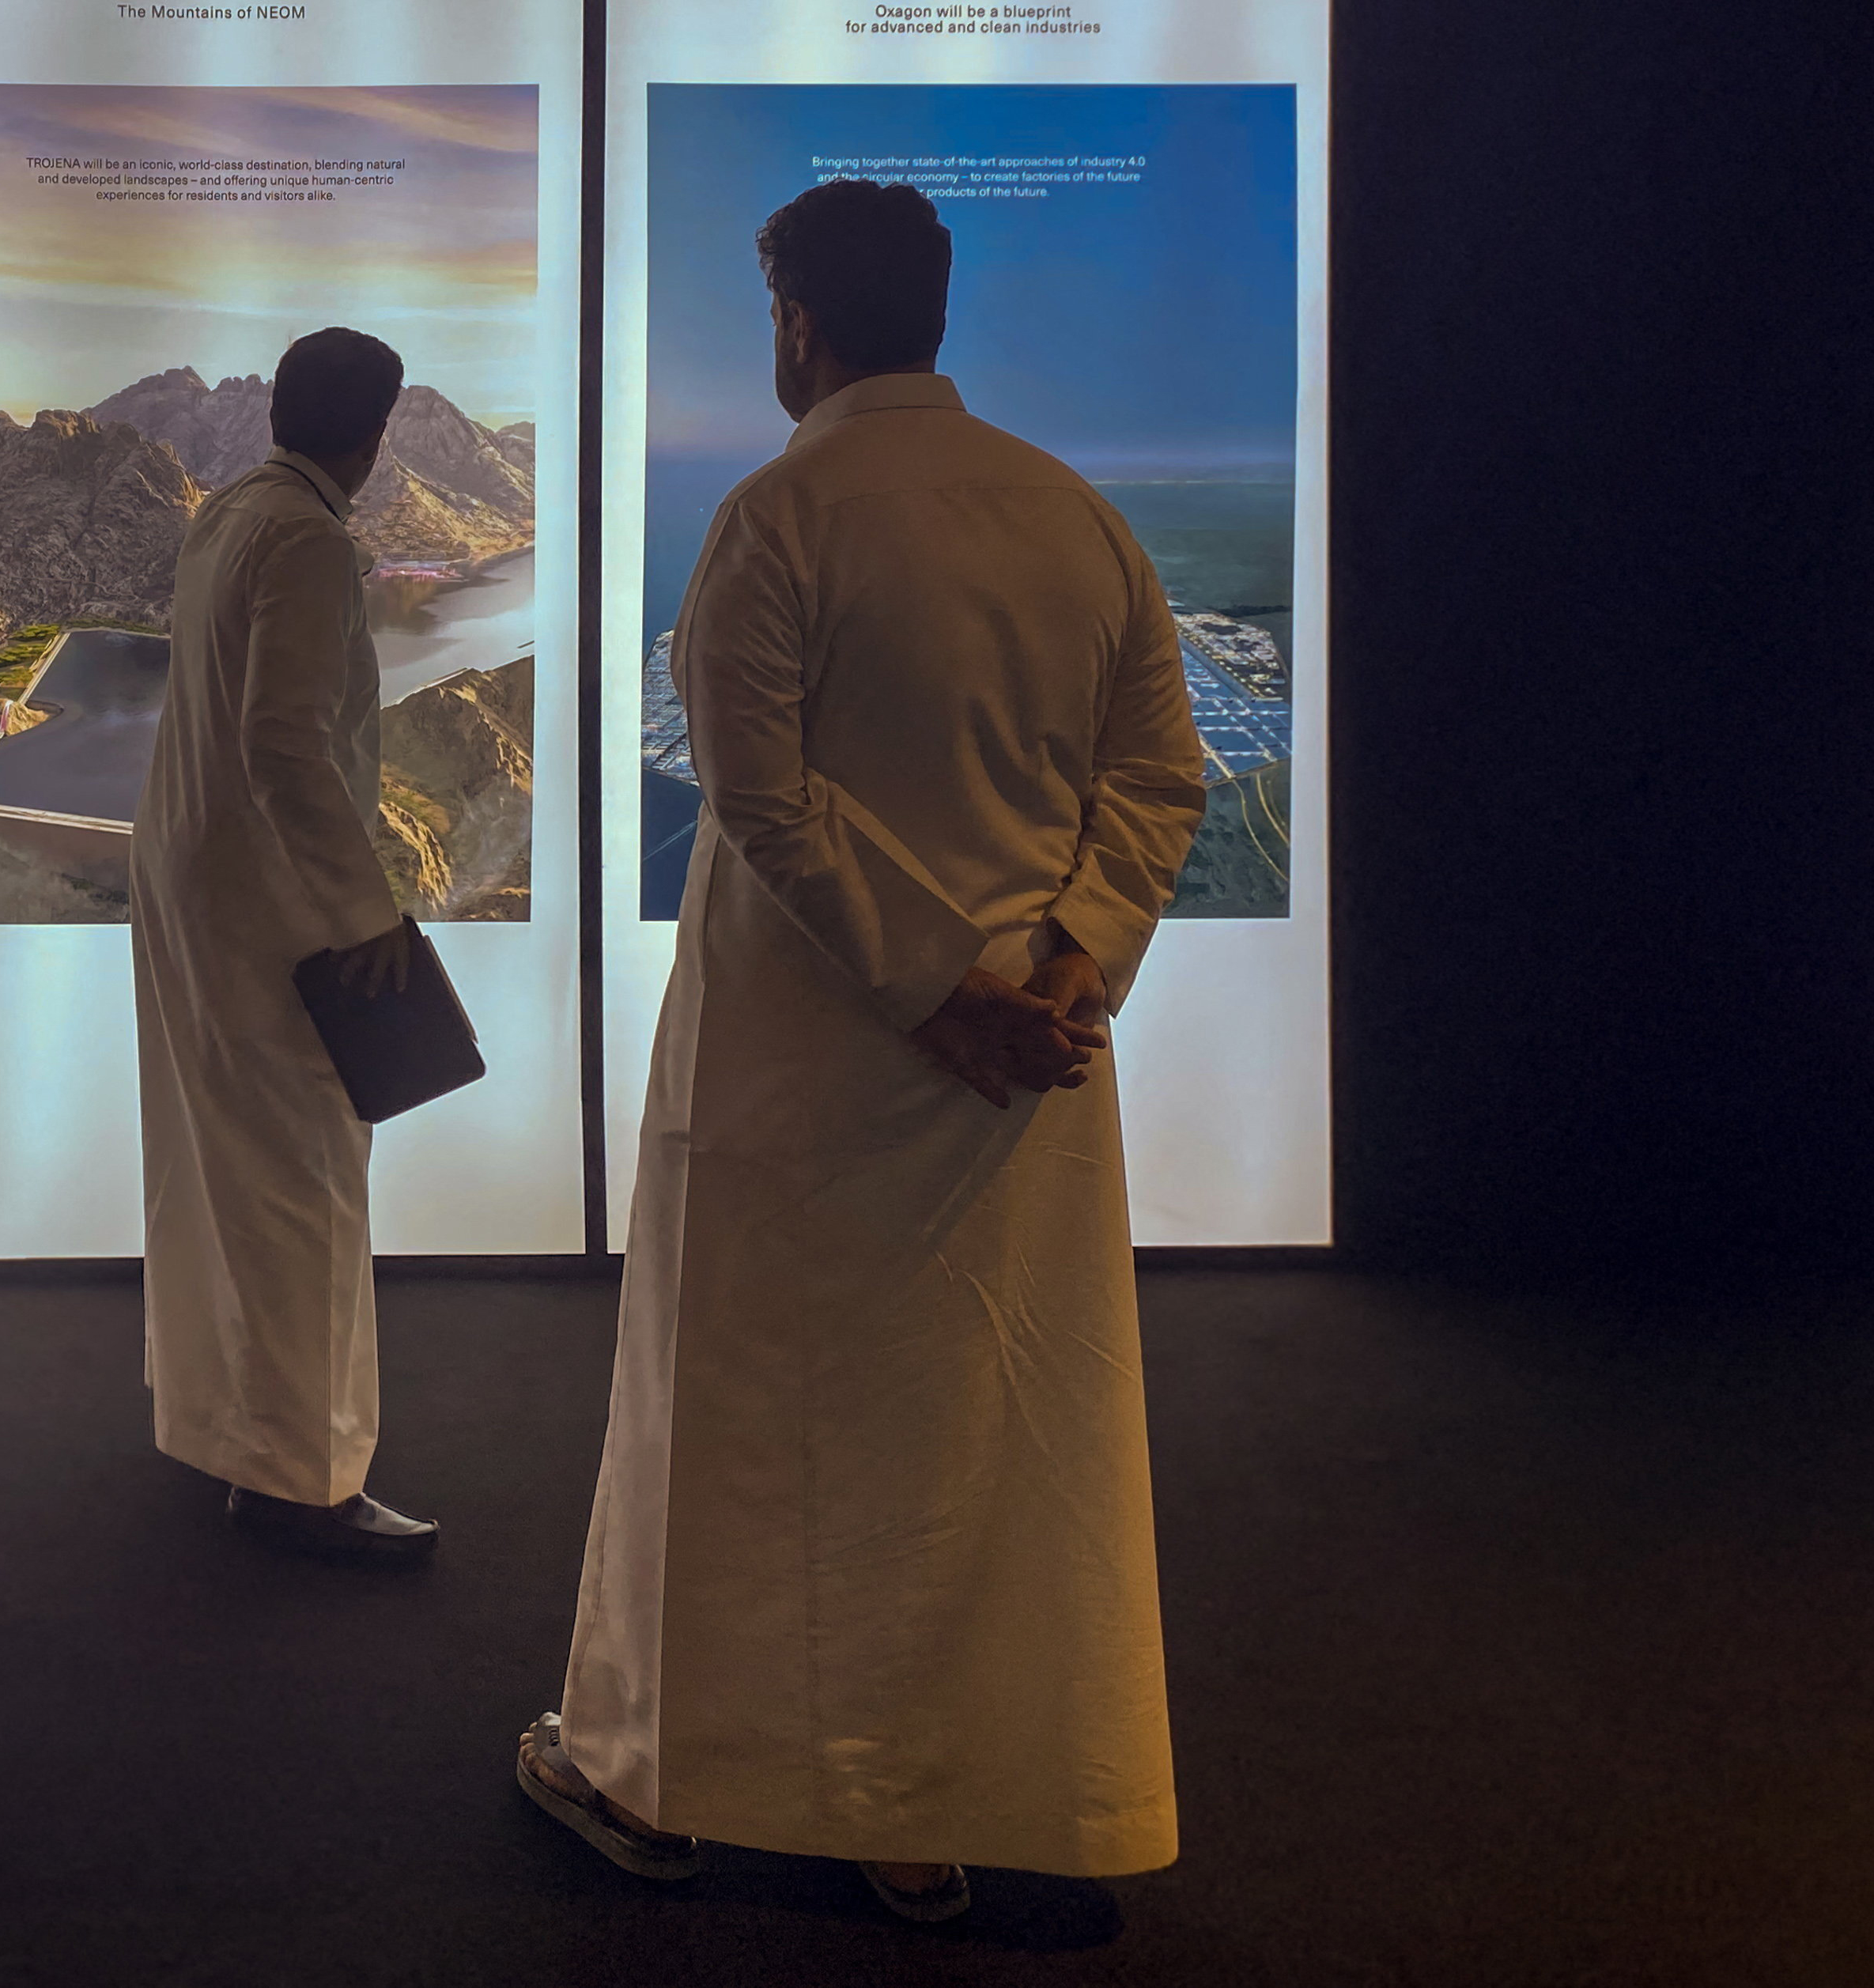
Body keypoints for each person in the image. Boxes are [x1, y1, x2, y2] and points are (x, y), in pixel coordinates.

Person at [518, 180, 1210, 1919]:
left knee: (738, 1417)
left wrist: (925, 984)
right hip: (1028, 1069)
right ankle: (933, 1802)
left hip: (798, 1061)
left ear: (798, 326)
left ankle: (649, 1774)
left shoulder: (771, 517)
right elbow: (1154, 779)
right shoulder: (1081, 522)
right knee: (973, 1434)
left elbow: (757, 795)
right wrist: (1060, 969)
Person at [133, 325, 436, 1559]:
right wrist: (366, 914)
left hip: (194, 884)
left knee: (219, 1175)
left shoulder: (230, 512)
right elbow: (285, 745)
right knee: (306, 1183)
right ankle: (302, 1481)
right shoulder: (308, 537)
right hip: (271, 911)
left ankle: (225, 1429)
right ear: (375, 433)